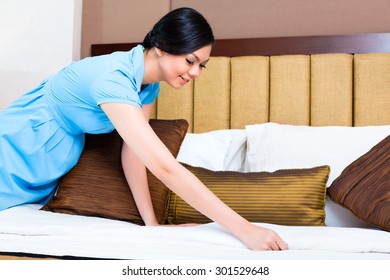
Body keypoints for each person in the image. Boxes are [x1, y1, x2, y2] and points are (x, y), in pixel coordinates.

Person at [0, 7, 287, 251]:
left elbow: (134, 155)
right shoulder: (114, 79)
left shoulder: (147, 88)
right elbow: (165, 167)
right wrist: (244, 229)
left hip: (52, 155)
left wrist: (152, 225)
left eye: (202, 65)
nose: (196, 72)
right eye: (190, 61)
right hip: (21, 141)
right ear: (160, 46)